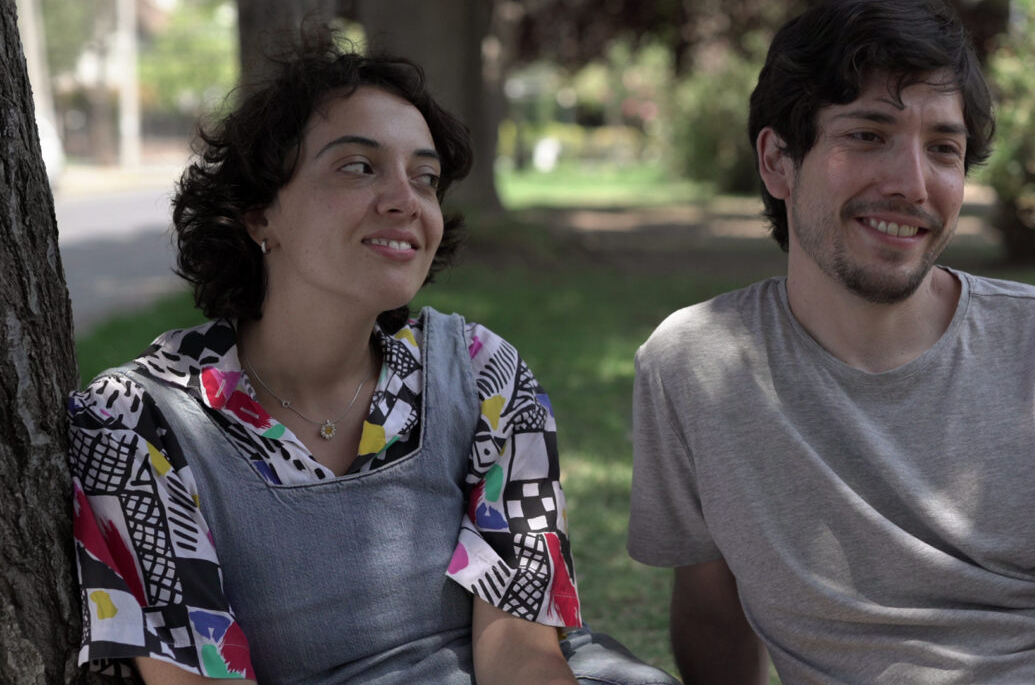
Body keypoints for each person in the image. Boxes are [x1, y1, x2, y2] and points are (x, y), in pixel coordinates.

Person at [626, 0, 1035, 685]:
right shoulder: (693, 366)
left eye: (943, 149)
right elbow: (711, 617)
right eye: (867, 135)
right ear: (778, 160)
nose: (913, 184)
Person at [67, 35, 679, 685]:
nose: (404, 200)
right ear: (258, 214)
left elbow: (523, 656)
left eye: (425, 178)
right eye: (358, 167)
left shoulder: (484, 374)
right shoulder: (137, 423)